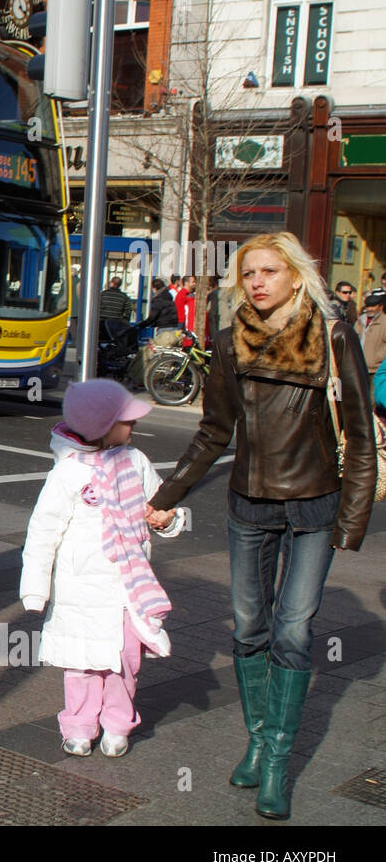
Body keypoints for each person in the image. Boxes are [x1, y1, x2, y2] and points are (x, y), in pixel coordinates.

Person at [146, 231, 375, 821]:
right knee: (249, 630)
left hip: (314, 507)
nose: (258, 282)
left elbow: (359, 434)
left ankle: (275, 761)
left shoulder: (333, 335)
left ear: (297, 277)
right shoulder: (227, 344)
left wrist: (352, 521)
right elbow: (214, 430)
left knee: (293, 634)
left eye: (270, 271)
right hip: (249, 505)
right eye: (249, 273)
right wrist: (169, 494)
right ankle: (257, 740)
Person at [21, 379, 182, 758]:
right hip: (79, 590)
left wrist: (167, 519)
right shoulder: (69, 472)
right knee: (81, 664)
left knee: (125, 662)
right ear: (103, 425)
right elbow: (44, 529)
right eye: (127, 420)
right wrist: (35, 588)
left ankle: (117, 724)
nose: (134, 426)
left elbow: (161, 504)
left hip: (128, 587)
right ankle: (78, 725)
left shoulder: (136, 461)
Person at [358, 288, 385, 375]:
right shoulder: (360, 320)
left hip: (377, 369)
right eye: (368, 306)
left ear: (380, 306)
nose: (370, 309)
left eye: (373, 306)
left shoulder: (384, 322)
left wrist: (378, 358)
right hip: (359, 366)